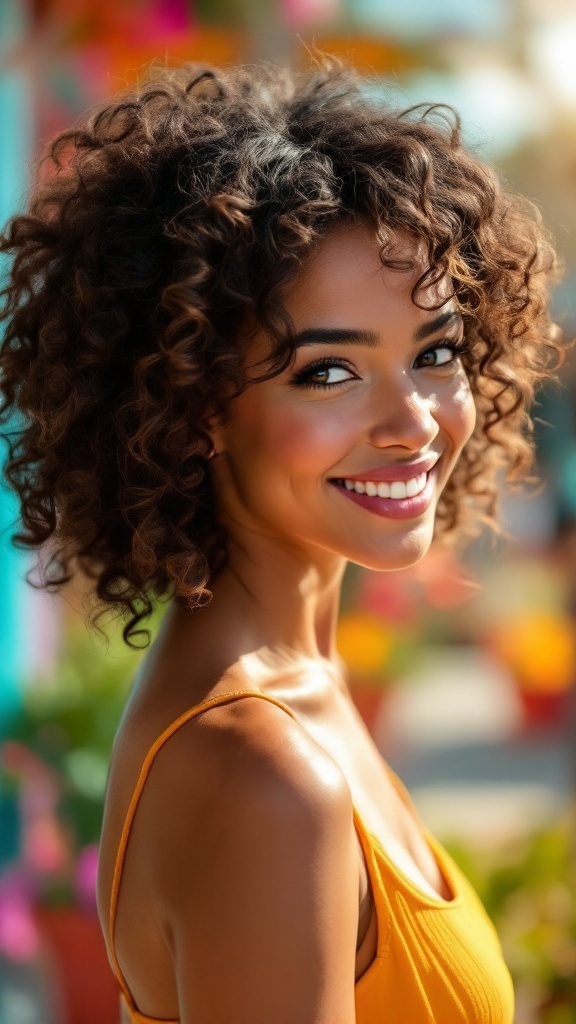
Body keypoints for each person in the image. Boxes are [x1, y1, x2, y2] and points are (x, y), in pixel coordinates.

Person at [0, 56, 563, 1024]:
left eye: (433, 352)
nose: (414, 422)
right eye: (329, 372)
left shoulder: (288, 697)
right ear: (196, 404)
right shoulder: (263, 773)